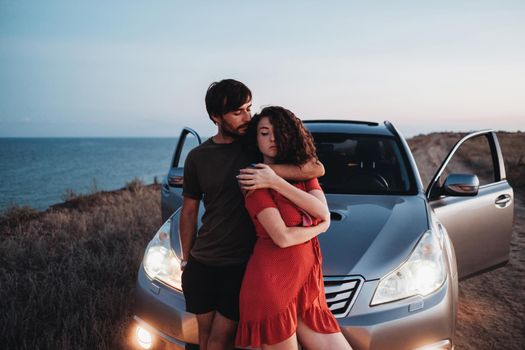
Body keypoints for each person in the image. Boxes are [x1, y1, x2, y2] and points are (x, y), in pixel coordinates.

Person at [179, 79, 324, 350]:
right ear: (215, 117)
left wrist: (271, 174)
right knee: (204, 338)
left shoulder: (254, 144)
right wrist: (187, 261)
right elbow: (189, 211)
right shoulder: (197, 157)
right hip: (202, 261)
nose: (247, 117)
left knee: (221, 339)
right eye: (238, 112)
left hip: (239, 263)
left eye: (248, 108)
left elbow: (315, 168)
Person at [235, 106, 352, 350]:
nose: (272, 139)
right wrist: (320, 228)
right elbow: (283, 237)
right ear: (256, 140)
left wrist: (275, 181)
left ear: (290, 134)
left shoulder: (305, 173)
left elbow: (322, 211)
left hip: (306, 285)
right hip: (272, 284)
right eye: (264, 133)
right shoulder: (253, 182)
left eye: (278, 132)